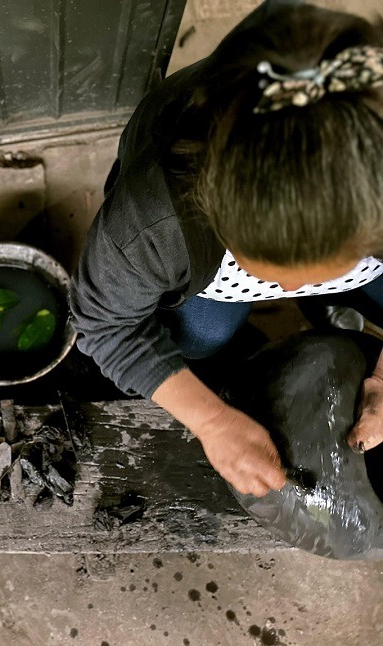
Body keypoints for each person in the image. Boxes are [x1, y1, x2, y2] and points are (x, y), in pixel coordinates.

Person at [70, 0, 383, 497]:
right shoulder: (157, 217)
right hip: (199, 261)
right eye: (273, 271)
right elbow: (105, 323)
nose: (285, 291)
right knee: (201, 336)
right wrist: (211, 420)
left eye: (321, 270)